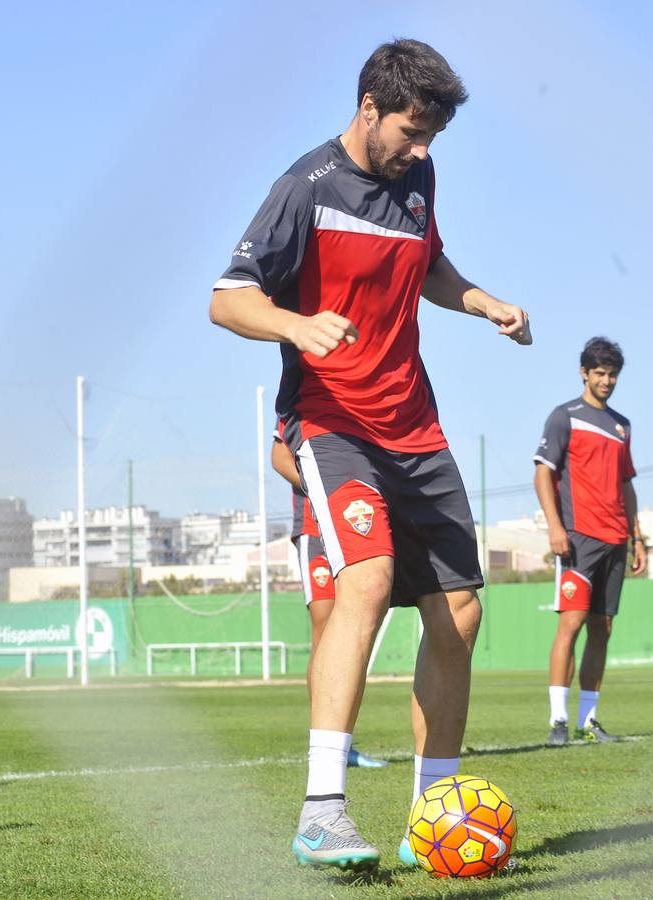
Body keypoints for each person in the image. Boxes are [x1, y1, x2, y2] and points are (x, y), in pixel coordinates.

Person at [209, 39, 532, 871]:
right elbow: (228, 298)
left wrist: (481, 300)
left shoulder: (417, 180)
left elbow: (426, 266)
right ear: (369, 110)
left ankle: (434, 815)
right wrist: (295, 324)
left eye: (432, 138)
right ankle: (322, 810)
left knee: (460, 610)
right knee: (367, 579)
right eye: (412, 131)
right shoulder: (304, 188)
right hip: (330, 419)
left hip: (413, 425)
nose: (422, 151)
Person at [533, 337, 646, 747]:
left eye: (612, 374)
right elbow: (543, 473)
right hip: (578, 538)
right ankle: (558, 721)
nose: (607, 380)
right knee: (572, 623)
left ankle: (589, 720)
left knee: (603, 627)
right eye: (599, 373)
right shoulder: (565, 416)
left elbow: (627, 484)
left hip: (617, 538)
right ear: (584, 372)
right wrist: (555, 527)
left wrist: (637, 538)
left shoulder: (622, 425)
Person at [270, 437, 386, 769]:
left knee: (353, 625)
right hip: (314, 527)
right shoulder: (304, 393)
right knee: (325, 627)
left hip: (354, 519)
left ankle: (343, 740)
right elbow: (279, 456)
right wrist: (321, 479)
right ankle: (326, 744)